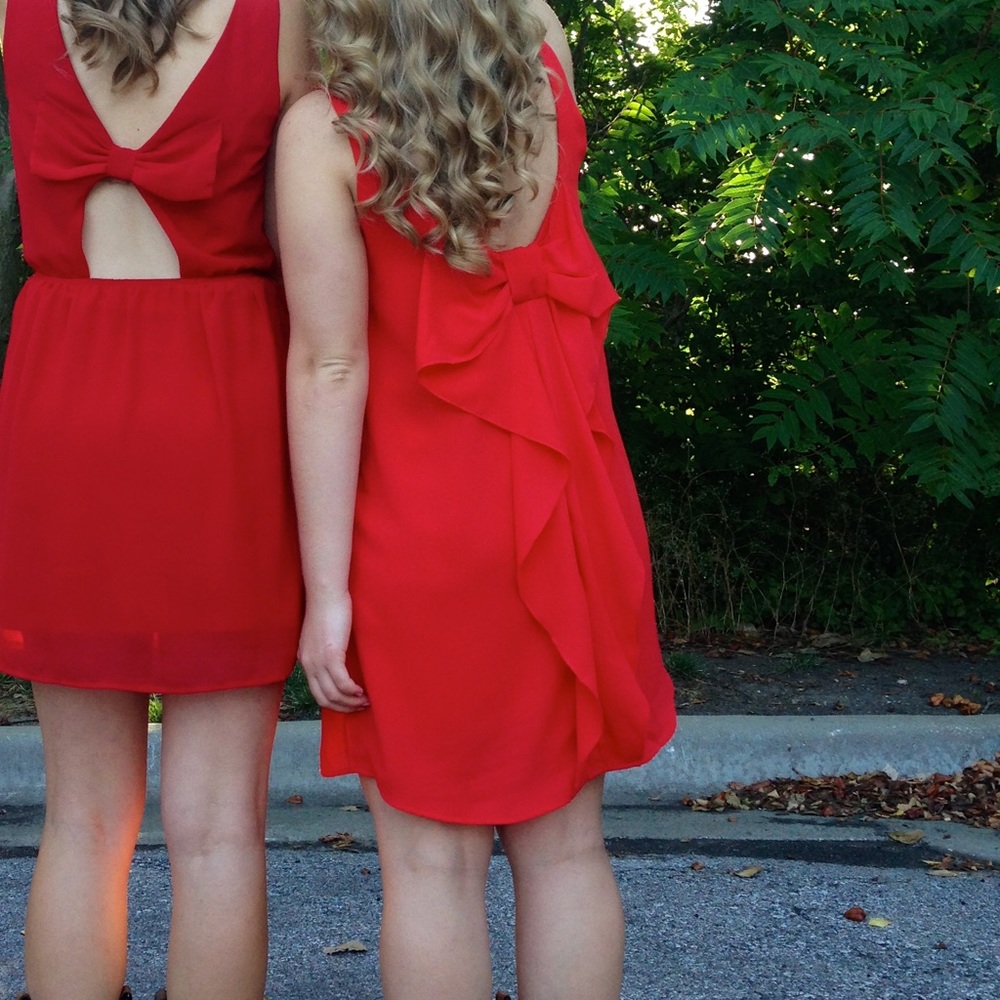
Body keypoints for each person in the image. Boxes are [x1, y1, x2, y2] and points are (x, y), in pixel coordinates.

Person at [275, 0, 677, 996]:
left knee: (429, 869)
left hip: (419, 526)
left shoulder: (326, 131)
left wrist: (326, 594)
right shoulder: (543, 48)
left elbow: (331, 366)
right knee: (568, 852)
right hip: (570, 498)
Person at [0, 2, 312, 999]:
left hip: (62, 402)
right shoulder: (284, 17)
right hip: (224, 407)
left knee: (80, 816)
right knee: (217, 824)